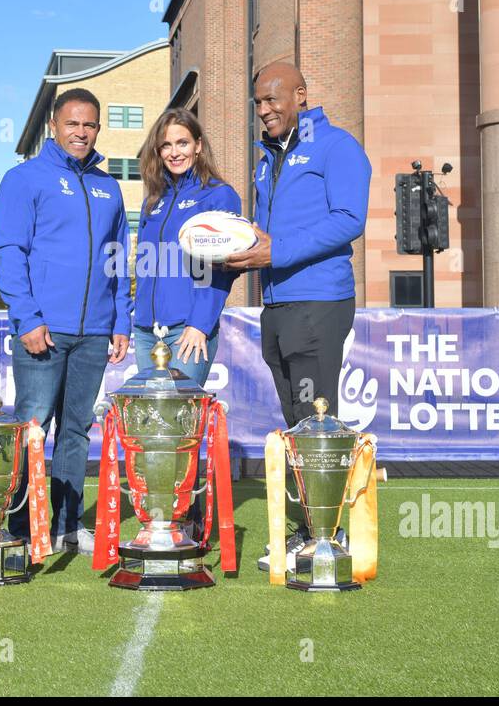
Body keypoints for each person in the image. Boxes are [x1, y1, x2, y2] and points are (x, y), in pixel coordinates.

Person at [223, 62, 371, 569]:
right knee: (294, 419)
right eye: (258, 103)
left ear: (301, 95)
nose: (264, 110)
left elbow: (350, 219)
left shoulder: (338, 147)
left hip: (319, 302)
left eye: (272, 100)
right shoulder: (267, 159)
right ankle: (310, 530)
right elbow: (263, 236)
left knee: (314, 418)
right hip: (276, 302)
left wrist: (276, 250)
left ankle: (327, 537)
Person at [0, 88, 131, 554]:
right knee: (33, 427)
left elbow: (119, 259)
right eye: (73, 123)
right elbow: (9, 252)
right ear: (55, 125)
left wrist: (121, 320)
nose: (81, 132)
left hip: (95, 333)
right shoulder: (24, 179)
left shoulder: (108, 187)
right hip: (43, 331)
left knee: (74, 431)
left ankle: (68, 526)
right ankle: (17, 529)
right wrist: (28, 318)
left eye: (89, 125)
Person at [131, 107, 240, 538]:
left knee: (180, 431)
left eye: (182, 142)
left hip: (188, 330)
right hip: (147, 333)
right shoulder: (152, 200)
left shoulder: (219, 195)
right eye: (166, 144)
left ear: (197, 145)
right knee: (151, 433)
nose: (174, 152)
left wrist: (200, 322)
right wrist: (132, 319)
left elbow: (223, 267)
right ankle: (156, 518)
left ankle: (186, 523)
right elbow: (143, 265)